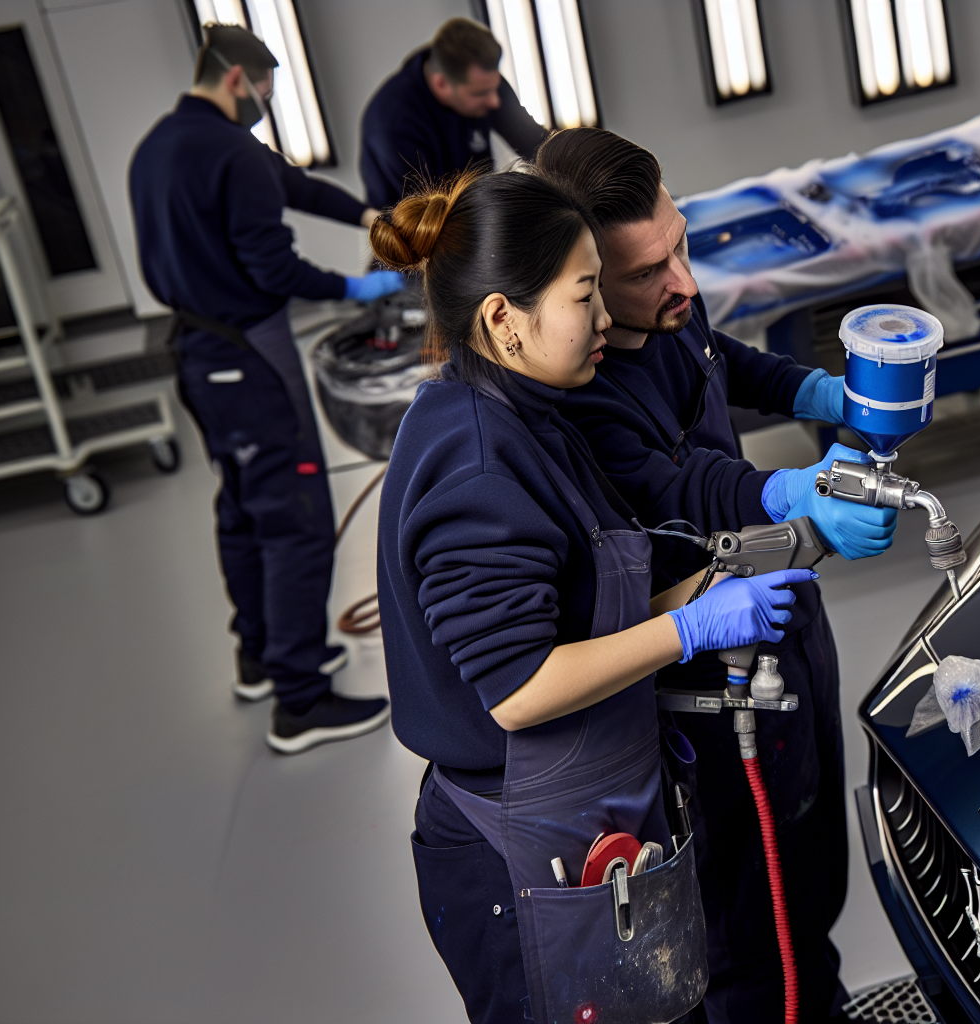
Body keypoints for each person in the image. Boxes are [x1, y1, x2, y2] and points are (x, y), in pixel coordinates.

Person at [373, 169, 815, 1023]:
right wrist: (689, 628)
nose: (608, 317)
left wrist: (721, 582)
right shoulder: (477, 466)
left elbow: (581, 614)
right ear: (504, 319)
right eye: (586, 296)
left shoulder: (529, 413)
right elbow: (521, 688)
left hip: (588, 803)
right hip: (520, 841)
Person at [539, 128, 867, 1023]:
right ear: (582, 282)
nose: (682, 281)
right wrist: (792, 489)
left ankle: (818, 997)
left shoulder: (672, 304)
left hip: (776, 611)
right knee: (748, 919)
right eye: (647, 271)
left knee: (810, 868)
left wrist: (815, 392)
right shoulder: (579, 393)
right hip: (705, 662)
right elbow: (677, 483)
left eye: (679, 244)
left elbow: (720, 361)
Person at [129, 23, 403, 753]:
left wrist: (368, 215)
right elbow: (275, 270)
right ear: (237, 80)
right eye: (265, 93)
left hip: (196, 353)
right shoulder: (230, 153)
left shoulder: (159, 146)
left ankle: (258, 657)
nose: (264, 106)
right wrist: (357, 287)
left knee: (244, 507)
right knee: (296, 517)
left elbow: (293, 185)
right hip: (248, 356)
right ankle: (301, 699)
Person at [359, 18, 548, 211]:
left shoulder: (484, 82)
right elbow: (431, 212)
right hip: (419, 221)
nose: (495, 102)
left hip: (473, 204)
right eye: (480, 94)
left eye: (495, 87)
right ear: (441, 84)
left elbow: (537, 143)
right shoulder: (393, 123)